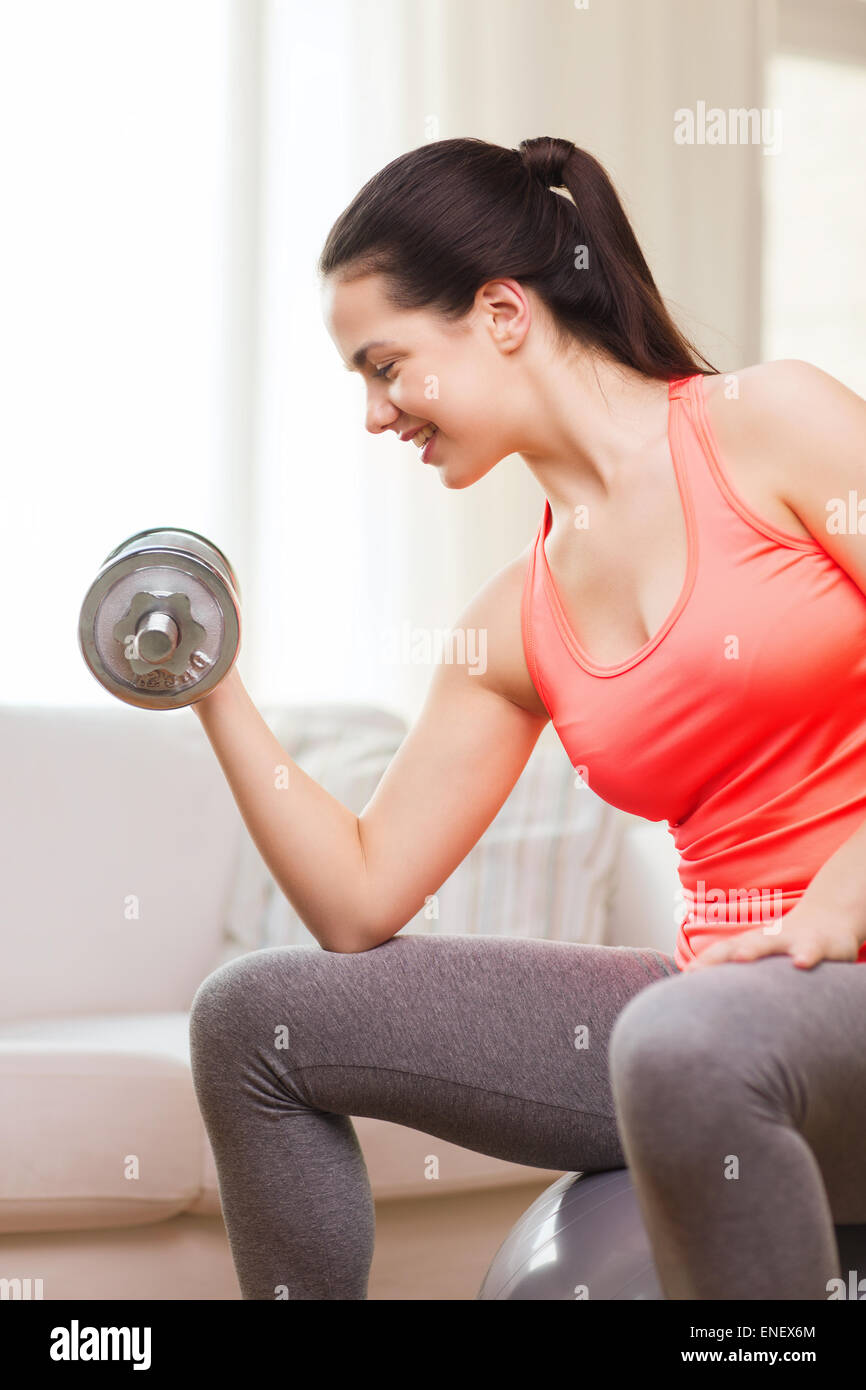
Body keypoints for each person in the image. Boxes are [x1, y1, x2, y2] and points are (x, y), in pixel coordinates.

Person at [188, 136, 866, 1300]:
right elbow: (355, 899)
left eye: (385, 364)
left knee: (682, 1041)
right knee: (253, 1016)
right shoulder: (515, 622)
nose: (372, 413)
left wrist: (842, 891)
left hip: (809, 984)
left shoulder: (772, 425)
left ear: (501, 313)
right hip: (717, 1002)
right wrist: (213, 681)